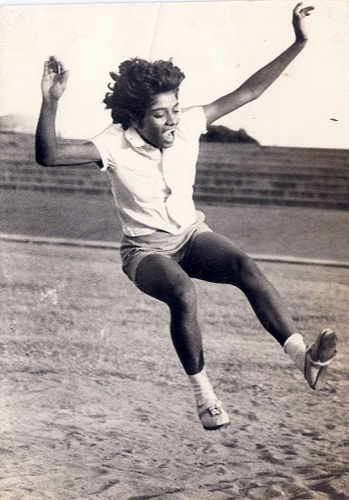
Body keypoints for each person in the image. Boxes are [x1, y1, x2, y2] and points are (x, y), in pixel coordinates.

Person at [36, 3, 338, 431]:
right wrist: (50, 102)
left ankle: (301, 357)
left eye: (174, 109)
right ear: (134, 118)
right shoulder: (113, 143)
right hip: (145, 251)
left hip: (191, 235)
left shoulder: (191, 123)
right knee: (181, 292)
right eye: (160, 115)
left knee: (243, 265)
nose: (173, 121)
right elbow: (48, 156)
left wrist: (299, 42)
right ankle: (205, 396)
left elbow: (249, 92)